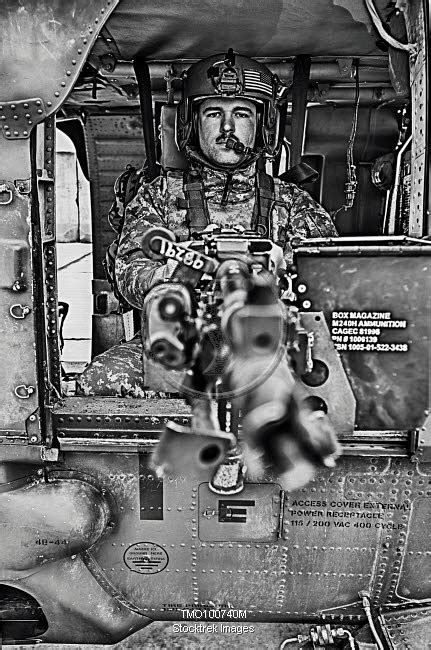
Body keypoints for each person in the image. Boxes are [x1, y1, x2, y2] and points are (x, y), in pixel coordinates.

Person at [78, 50, 338, 397]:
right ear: (191, 122)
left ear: (263, 125)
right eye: (214, 113)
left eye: (241, 114)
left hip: (270, 344)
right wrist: (173, 274)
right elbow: (129, 272)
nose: (227, 127)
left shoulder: (292, 204)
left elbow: (330, 283)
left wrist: (281, 276)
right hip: (174, 343)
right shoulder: (158, 196)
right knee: (101, 381)